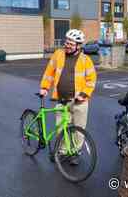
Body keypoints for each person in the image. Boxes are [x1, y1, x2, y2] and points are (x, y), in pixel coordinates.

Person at [40, 29, 97, 164]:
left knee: (79, 129)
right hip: (61, 99)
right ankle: (63, 152)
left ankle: (75, 153)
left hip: (79, 102)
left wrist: (84, 94)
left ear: (78, 45)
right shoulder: (58, 55)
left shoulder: (85, 60)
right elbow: (49, 72)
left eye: (71, 44)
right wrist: (44, 87)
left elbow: (91, 80)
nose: (67, 45)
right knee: (61, 128)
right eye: (67, 42)